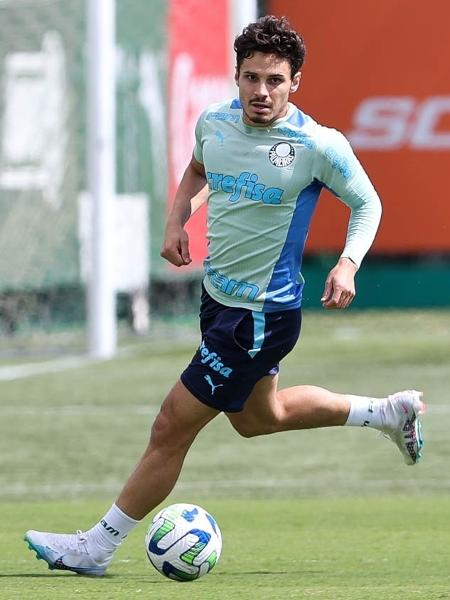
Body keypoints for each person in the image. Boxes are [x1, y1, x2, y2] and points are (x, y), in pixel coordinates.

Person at [24, 15, 425, 576]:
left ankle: (96, 546)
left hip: (259, 317)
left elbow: (368, 204)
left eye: (275, 80)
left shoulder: (316, 144)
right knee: (260, 417)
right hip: (218, 303)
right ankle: (385, 412)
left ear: (296, 82)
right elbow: (196, 170)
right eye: (251, 78)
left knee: (172, 424)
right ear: (235, 77)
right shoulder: (214, 122)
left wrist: (349, 263)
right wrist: (175, 221)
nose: (262, 91)